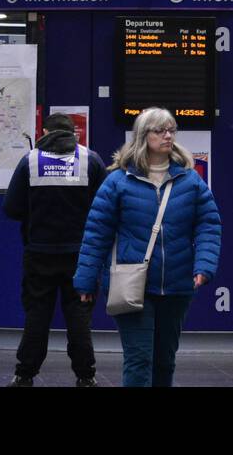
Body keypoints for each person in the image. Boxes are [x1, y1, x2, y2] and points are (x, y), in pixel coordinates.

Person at [74, 107, 221, 388]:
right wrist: (85, 280)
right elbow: (97, 233)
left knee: (165, 360)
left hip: (177, 285)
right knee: (139, 359)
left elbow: (208, 225)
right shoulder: (118, 181)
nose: (168, 136)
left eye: (171, 130)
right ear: (143, 136)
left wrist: (204, 264)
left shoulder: (190, 181)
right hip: (133, 284)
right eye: (160, 130)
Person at [2, 113, 107, 387]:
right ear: (74, 133)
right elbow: (105, 208)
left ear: (45, 131)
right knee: (79, 316)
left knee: (37, 314)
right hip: (81, 255)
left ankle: (25, 374)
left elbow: (11, 208)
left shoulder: (30, 161)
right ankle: (86, 376)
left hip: (39, 253)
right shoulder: (91, 160)